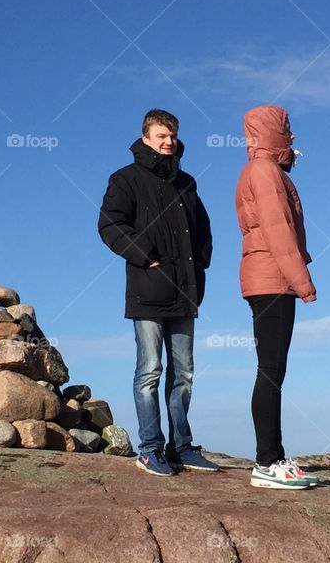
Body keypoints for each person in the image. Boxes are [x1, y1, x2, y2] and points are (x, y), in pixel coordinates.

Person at [98, 109, 218, 476]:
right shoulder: (125, 179)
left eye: (172, 135)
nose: (168, 141)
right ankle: (149, 449)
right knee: (149, 371)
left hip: (185, 290)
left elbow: (203, 230)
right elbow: (109, 224)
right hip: (147, 291)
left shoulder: (187, 182)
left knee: (184, 373)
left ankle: (181, 446)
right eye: (161, 135)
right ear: (146, 137)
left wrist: (200, 266)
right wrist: (144, 255)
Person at [235, 105, 319, 490]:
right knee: (271, 369)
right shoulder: (265, 172)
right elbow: (278, 230)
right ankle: (267, 462)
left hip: (267, 278)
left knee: (273, 369)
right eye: (288, 130)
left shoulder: (259, 170)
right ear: (274, 133)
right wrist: (303, 282)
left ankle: (274, 455)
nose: (293, 137)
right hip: (272, 280)